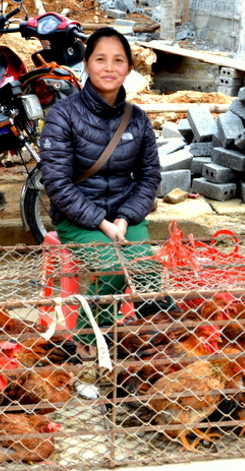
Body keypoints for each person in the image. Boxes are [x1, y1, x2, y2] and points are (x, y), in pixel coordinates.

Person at [38, 27, 164, 356]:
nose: (109, 68)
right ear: (86, 64)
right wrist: (102, 223)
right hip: (78, 218)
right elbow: (56, 183)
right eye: (100, 59)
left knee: (148, 272)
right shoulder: (62, 115)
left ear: (129, 68)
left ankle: (149, 346)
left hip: (124, 213)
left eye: (118, 60)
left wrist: (125, 216)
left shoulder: (137, 120)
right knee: (110, 270)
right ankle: (89, 345)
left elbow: (150, 175)